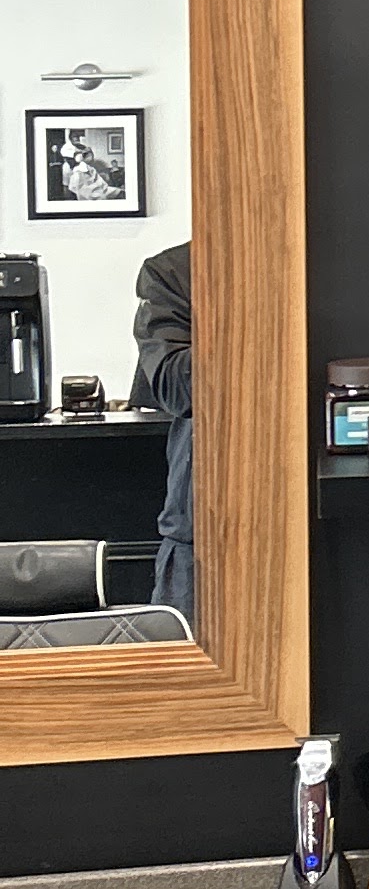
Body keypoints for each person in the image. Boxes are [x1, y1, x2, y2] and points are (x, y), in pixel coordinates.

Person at [129, 240, 193, 628]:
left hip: (325, 508)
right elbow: (177, 388)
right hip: (202, 528)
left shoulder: (326, 257)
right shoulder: (175, 270)